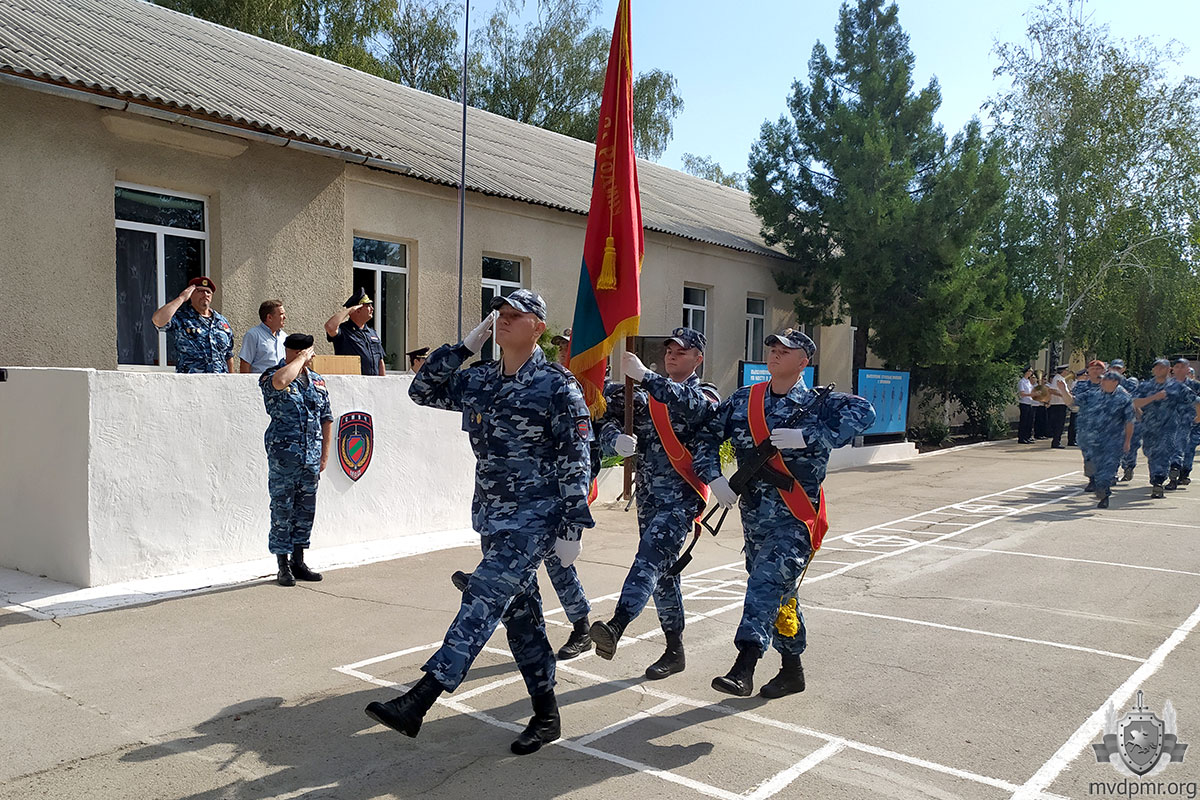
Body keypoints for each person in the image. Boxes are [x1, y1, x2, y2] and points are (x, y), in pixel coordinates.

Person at [366, 289, 594, 756]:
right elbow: (421, 390)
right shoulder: (481, 378)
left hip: (536, 518)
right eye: (499, 314)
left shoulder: (556, 385)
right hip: (492, 516)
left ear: (538, 328)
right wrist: (463, 347)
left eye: (515, 315)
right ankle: (546, 715)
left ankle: (420, 699)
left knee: (483, 597)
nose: (503, 320)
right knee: (522, 618)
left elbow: (576, 457)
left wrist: (572, 527)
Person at [694, 329, 875, 699]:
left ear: (803, 362)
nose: (775, 354)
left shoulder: (820, 403)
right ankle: (792, 671)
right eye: (773, 348)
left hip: (796, 518)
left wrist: (812, 434)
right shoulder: (745, 400)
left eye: (785, 351)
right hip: (754, 518)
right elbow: (706, 437)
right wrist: (714, 477)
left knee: (764, 583)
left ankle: (744, 665)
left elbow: (866, 412)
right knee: (779, 593)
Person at [589, 327, 720, 681]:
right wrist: (614, 439)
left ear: (698, 358)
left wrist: (647, 377)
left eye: (682, 351)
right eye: (669, 350)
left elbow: (693, 407)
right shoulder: (643, 394)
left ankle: (617, 624)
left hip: (681, 497)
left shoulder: (704, 394)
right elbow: (602, 415)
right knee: (663, 575)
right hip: (648, 496)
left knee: (649, 557)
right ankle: (675, 650)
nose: (672, 355)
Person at [259, 334, 333, 586]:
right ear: (294, 352)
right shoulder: (272, 375)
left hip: (310, 457)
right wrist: (299, 360)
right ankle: (282, 565)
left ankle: (298, 561)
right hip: (284, 459)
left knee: (305, 511)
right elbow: (280, 382)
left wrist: (324, 455)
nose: (311, 356)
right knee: (282, 511)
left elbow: (326, 418)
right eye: (306, 351)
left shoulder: (317, 381)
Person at [1058, 370, 1133, 508]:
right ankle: (1097, 484)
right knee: (1093, 466)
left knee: (1108, 468)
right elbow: (1071, 402)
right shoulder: (1092, 394)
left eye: (1106, 380)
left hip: (1113, 441)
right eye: (1102, 379)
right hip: (1093, 441)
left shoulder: (1124, 398)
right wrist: (1063, 390)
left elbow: (1129, 421)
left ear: (1115, 382)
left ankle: (1104, 493)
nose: (1102, 382)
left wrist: (1128, 441)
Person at [1132, 359, 1199, 498]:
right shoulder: (1145, 386)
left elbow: (1196, 400)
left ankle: (1159, 481)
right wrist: (1153, 398)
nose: (1159, 370)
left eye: (1162, 367)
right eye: (1157, 367)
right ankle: (1157, 476)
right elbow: (1134, 402)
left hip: (1170, 427)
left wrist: (1198, 416)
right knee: (1150, 453)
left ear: (1169, 370)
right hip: (1149, 427)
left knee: (1164, 452)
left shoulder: (1177, 387)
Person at [150, 276, 235, 373]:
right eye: (200, 291)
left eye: (208, 292)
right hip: (191, 379)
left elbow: (228, 355)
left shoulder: (222, 322)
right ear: (191, 295)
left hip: (220, 380)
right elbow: (158, 320)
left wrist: (232, 379)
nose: (205, 294)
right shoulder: (182, 318)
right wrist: (181, 298)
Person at [324, 288, 385, 376]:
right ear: (357, 309)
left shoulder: (372, 332)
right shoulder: (344, 331)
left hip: (373, 382)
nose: (372, 308)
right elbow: (329, 326)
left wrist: (383, 381)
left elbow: (380, 361)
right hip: (352, 381)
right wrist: (349, 310)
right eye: (368, 305)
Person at [1072, 360, 1105, 491]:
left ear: (1103, 371)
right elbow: (1073, 400)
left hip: (1107, 426)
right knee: (1089, 455)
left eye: (1098, 369)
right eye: (1092, 369)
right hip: (1087, 426)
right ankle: (1092, 479)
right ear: (1088, 371)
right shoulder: (1082, 386)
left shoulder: (1111, 385)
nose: (1095, 371)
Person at [1168, 358, 1200, 487]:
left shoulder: (1196, 385)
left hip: (1192, 423)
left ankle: (1184, 473)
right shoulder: (1167, 385)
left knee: (1189, 449)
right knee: (1174, 448)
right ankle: (1173, 475)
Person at [1111, 359, 1143, 482]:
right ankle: (1112, 473)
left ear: (1123, 369)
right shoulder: (1105, 382)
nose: (1116, 371)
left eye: (1119, 368)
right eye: (1114, 368)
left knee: (1131, 447)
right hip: (1115, 420)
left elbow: (1132, 396)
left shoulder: (1131, 382)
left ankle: (1129, 466)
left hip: (1131, 418)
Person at [239, 300, 288, 373]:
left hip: (281, 379)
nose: (285, 317)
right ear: (269, 317)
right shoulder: (253, 335)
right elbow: (245, 364)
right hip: (259, 380)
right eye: (281, 314)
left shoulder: (284, 337)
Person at [1047, 364, 1071, 448]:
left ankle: (1057, 441)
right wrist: (1062, 395)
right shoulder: (1057, 378)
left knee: (1060, 424)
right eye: (1066, 370)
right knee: (1058, 424)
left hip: (1061, 404)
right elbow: (1052, 390)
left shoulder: (1062, 379)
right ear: (1063, 371)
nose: (1067, 372)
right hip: (1058, 404)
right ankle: (1056, 442)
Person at [1017, 367, 1037, 444]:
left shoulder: (1028, 382)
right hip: (1024, 403)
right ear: (1027, 372)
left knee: (1029, 421)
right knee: (1024, 421)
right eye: (1030, 371)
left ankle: (1027, 436)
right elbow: (1022, 393)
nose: (1031, 373)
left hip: (1029, 403)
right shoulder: (1022, 382)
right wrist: (1031, 394)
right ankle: (1022, 438)